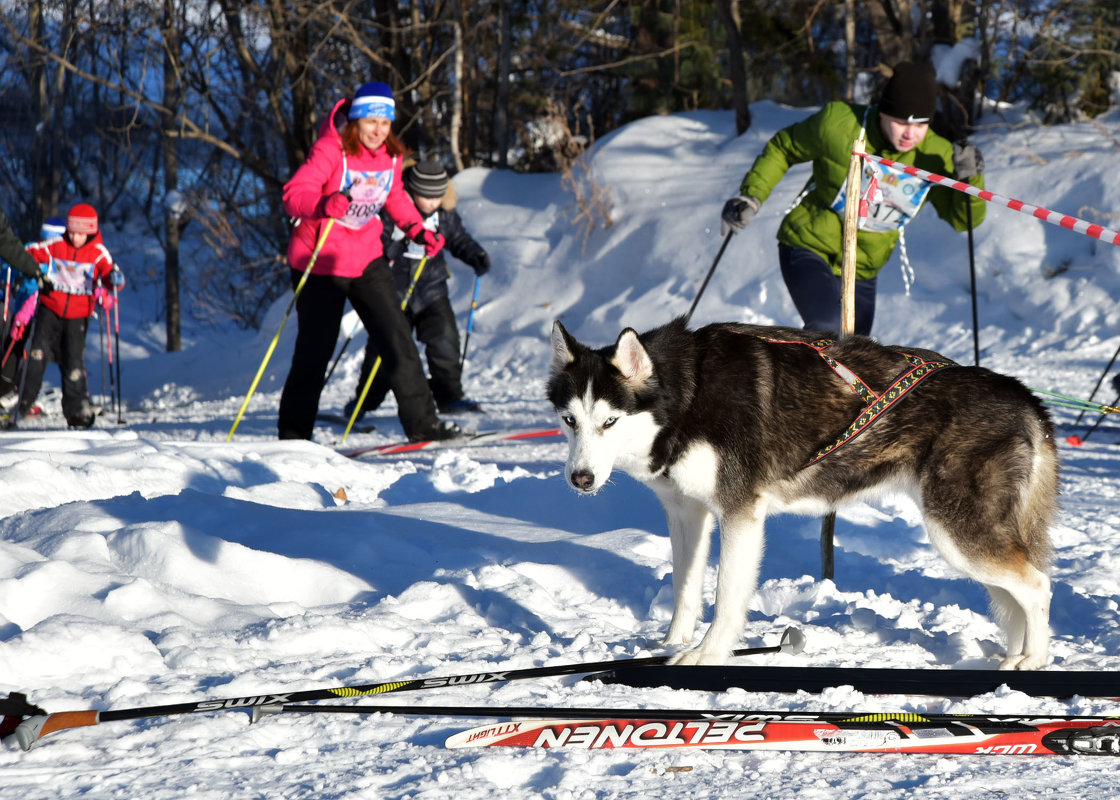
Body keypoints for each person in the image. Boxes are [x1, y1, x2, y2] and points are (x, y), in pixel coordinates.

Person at [720, 60, 986, 336]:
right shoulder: (839, 124)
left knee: (856, 355)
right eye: (900, 121)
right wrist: (752, 195)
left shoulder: (936, 156)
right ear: (883, 111)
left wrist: (970, 178)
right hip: (809, 246)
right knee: (828, 330)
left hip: (864, 268)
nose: (910, 133)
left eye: (920, 124)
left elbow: (963, 220)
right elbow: (784, 147)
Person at [278, 81, 461, 442]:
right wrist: (322, 205)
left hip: (366, 258)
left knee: (397, 339)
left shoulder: (390, 157)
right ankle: (294, 435)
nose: (378, 131)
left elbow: (393, 196)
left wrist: (416, 229)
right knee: (315, 350)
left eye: (385, 123)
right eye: (370, 122)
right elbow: (294, 193)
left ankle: (424, 425)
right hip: (320, 262)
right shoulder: (331, 150)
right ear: (355, 122)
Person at [345, 160, 490, 421]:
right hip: (393, 293)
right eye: (426, 196)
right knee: (385, 348)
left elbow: (457, 238)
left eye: (438, 196)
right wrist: (392, 249)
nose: (433, 202)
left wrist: (475, 255)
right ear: (412, 190)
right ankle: (364, 402)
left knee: (445, 340)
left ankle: (449, 395)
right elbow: (376, 241)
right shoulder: (394, 209)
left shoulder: (443, 213)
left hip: (431, 289)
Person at [18, 204, 125, 427]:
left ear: (91, 232)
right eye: (72, 232)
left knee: (73, 362)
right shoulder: (56, 245)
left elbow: (110, 274)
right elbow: (30, 253)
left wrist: (114, 279)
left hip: (78, 316)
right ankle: (22, 405)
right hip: (50, 309)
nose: (75, 238)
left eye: (81, 233)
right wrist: (28, 264)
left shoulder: (97, 252)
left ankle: (76, 411)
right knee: (37, 356)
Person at [1, 218, 65, 408]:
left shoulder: (61, 256)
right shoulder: (37, 251)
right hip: (26, 310)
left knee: (37, 351)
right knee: (21, 348)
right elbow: (9, 265)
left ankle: (18, 394)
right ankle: (12, 392)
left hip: (49, 310)